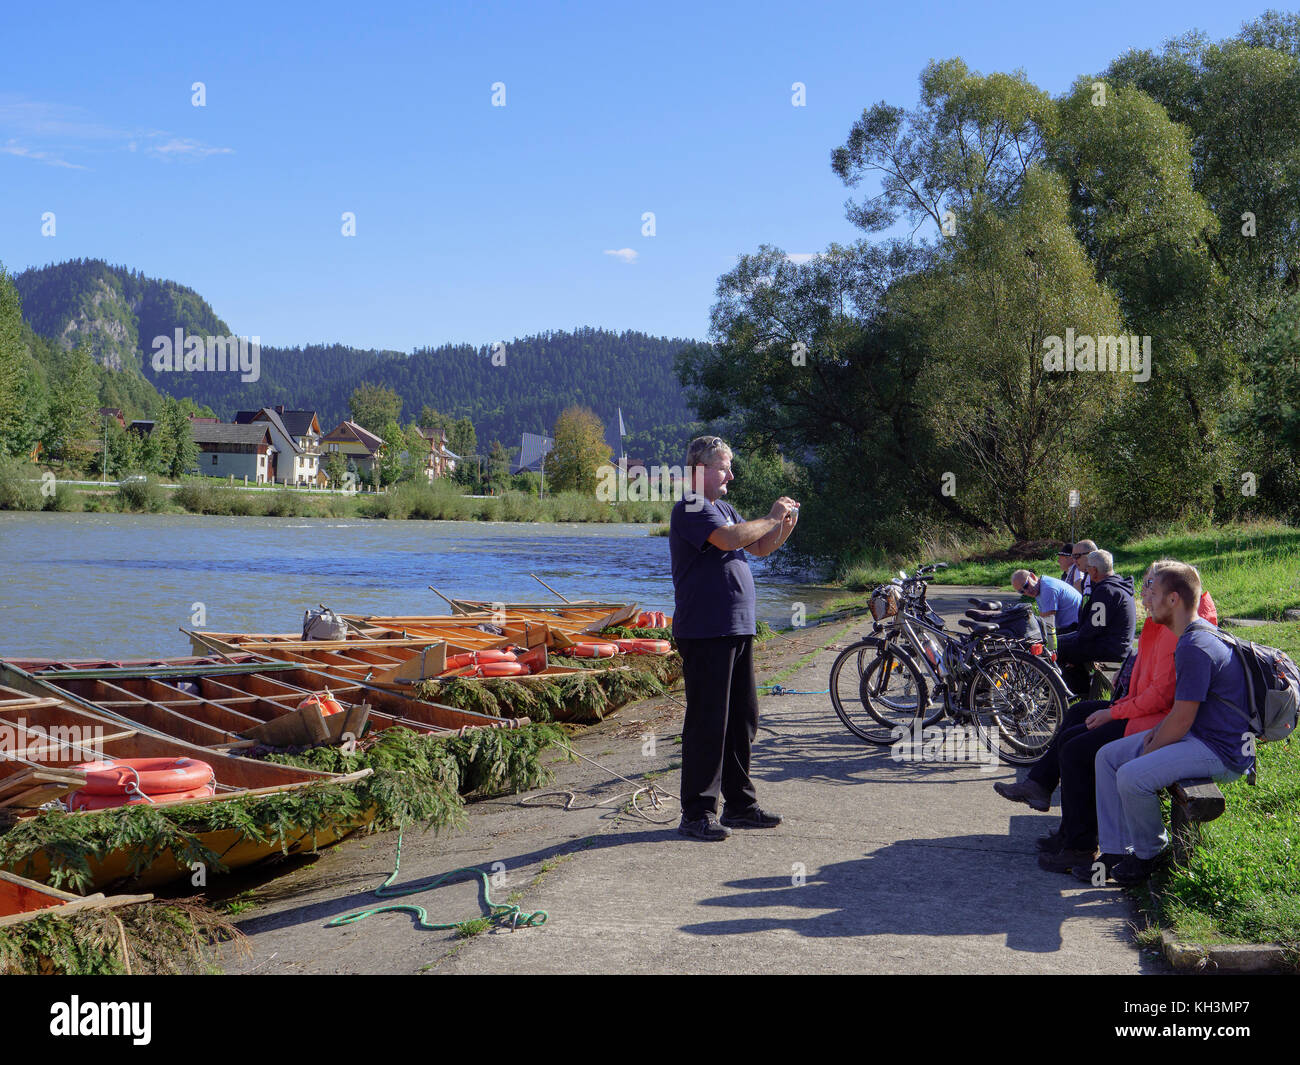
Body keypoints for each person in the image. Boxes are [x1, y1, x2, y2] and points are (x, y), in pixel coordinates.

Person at [669, 436, 799, 841]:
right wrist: (773, 515)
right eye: (724, 466)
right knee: (709, 722)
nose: (730, 473)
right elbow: (727, 540)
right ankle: (697, 813)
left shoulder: (723, 507)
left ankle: (740, 806)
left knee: (742, 719)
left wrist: (783, 527)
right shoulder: (690, 505)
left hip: (736, 626)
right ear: (698, 470)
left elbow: (757, 547)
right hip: (706, 629)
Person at [1090, 562, 1253, 885]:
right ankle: (1115, 849)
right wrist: (1154, 737)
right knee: (1107, 757)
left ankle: (1150, 853)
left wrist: (1152, 743)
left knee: (1131, 775)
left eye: (1153, 593)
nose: (1146, 600)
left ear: (1174, 600)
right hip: (1197, 736)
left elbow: (1180, 719)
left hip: (1220, 750)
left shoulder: (1194, 646)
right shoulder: (1191, 637)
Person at [1054, 549, 1136, 694]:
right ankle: (1078, 691)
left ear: (1094, 570)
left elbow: (1094, 627)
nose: (1087, 572)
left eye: (1088, 569)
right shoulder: (1116, 586)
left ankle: (1073, 693)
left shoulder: (1106, 591)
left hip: (1110, 647)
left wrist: (1073, 645)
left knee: (1055, 649)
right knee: (1063, 642)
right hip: (1115, 643)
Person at [1010, 568, 1081, 641]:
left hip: (1075, 628)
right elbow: (1043, 618)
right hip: (1071, 626)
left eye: (1026, 586)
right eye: (1021, 591)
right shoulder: (1039, 587)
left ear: (1032, 576)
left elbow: (1048, 624)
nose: (1027, 591)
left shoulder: (1047, 589)